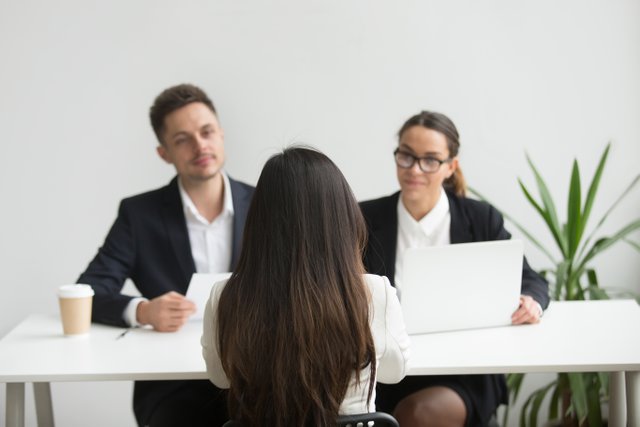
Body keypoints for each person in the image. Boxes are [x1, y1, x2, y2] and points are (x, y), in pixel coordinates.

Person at [77, 83, 254, 427]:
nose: (200, 146)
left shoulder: (265, 203)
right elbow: (89, 291)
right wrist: (142, 310)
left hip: (254, 375)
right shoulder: (139, 214)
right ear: (164, 153)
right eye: (183, 139)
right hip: (173, 385)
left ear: (221, 134)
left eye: (206, 132)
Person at [360, 111, 550, 427]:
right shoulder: (366, 217)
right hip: (389, 370)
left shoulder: (480, 219)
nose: (415, 169)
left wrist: (531, 301)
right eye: (406, 156)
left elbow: (531, 279)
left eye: (430, 160)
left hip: (465, 371)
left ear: (451, 166)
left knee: (417, 415)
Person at [201, 146, 411, 427]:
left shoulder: (225, 295)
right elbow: (394, 373)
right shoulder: (374, 292)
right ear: (342, 217)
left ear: (259, 221)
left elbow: (220, 377)